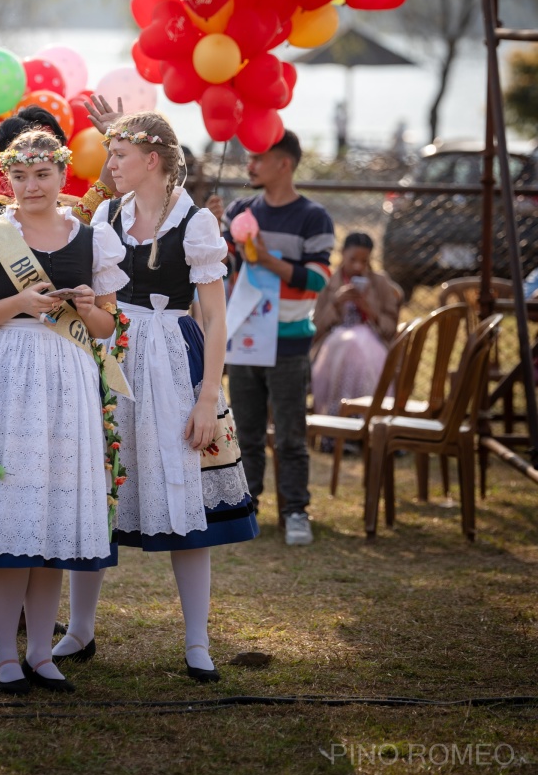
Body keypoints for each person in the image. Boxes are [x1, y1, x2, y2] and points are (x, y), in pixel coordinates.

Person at [0, 128, 129, 694]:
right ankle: (6, 655)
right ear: (8, 177)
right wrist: (17, 303)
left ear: (64, 176)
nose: (32, 185)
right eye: (22, 175)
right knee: (13, 516)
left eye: (44, 174)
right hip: (9, 379)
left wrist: (88, 308)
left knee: (55, 517)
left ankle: (41, 652)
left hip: (72, 383)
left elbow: (109, 326)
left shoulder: (93, 238)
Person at [55, 111, 258, 684]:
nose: (109, 165)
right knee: (98, 489)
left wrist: (207, 396)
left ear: (153, 161)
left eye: (118, 155)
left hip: (174, 360)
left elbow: (215, 319)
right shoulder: (105, 214)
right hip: (111, 354)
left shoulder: (195, 223)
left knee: (183, 492)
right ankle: (80, 629)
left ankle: (197, 641)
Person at [223, 130, 334, 546]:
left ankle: (295, 511)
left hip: (288, 342)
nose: (249, 165)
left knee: (290, 435)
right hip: (244, 339)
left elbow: (318, 280)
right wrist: (219, 238)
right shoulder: (239, 210)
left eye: (258, 157)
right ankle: (246, 507)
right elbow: (224, 269)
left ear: (283, 163)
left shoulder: (313, 217)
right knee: (245, 432)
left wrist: (268, 259)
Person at [310, 232, 403, 418]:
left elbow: (390, 328)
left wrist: (368, 309)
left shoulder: (379, 282)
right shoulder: (327, 283)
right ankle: (339, 422)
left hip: (373, 344)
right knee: (349, 344)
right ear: (342, 254)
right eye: (353, 260)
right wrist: (336, 303)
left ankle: (365, 422)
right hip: (332, 344)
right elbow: (315, 328)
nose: (358, 266)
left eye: (364, 261)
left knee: (357, 346)